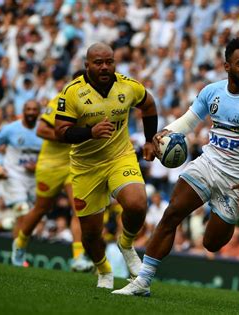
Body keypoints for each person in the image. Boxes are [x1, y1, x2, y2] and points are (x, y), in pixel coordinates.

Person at [113, 37, 239, 296]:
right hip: (208, 164)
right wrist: (165, 133)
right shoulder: (212, 91)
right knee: (172, 213)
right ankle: (143, 281)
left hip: (237, 180)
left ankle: (236, 217)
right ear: (227, 66)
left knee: (211, 244)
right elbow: (191, 119)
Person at [54, 42, 158, 289]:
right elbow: (61, 132)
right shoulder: (71, 92)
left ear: (114, 63)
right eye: (98, 63)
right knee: (90, 235)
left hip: (119, 157)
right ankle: (103, 269)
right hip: (86, 166)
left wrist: (149, 140)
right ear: (86, 65)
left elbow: (149, 104)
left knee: (137, 203)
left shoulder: (128, 86)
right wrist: (90, 132)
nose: (104, 67)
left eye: (109, 62)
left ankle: (126, 243)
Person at [10, 70, 94, 272]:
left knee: (79, 209)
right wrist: (69, 136)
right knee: (40, 209)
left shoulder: (92, 106)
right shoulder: (60, 101)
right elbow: (41, 130)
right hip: (50, 165)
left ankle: (77, 257)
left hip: (74, 165)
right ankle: (19, 245)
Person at [0, 100, 43, 252]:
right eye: (28, 109)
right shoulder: (11, 129)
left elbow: (49, 155)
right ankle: (18, 256)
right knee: (23, 212)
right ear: (23, 110)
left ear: (39, 112)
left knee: (26, 219)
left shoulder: (43, 131)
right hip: (13, 176)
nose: (31, 112)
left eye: (34, 109)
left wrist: (38, 166)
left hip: (33, 179)